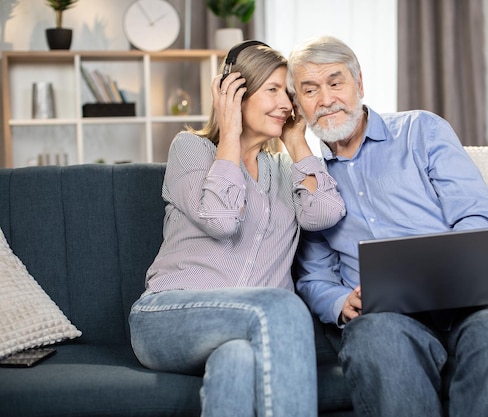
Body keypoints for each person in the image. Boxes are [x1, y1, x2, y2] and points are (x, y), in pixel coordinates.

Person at [287, 35, 488, 417]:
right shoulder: (310, 179)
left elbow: (476, 213)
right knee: (376, 344)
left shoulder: (421, 130)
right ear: (298, 106)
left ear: (360, 83)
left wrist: (453, 268)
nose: (326, 99)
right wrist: (339, 302)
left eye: (336, 82)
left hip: (473, 293)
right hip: (384, 312)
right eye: (310, 90)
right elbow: (313, 276)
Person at [129, 40, 345, 417]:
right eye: (273, 90)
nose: (286, 104)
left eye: (288, 93)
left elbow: (325, 213)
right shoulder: (191, 149)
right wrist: (229, 133)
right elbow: (220, 218)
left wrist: (296, 142)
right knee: (283, 307)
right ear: (235, 92)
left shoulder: (284, 171)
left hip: (245, 330)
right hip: (169, 317)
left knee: (238, 361)